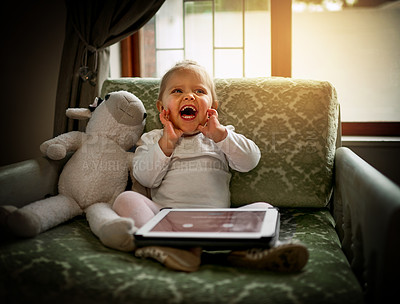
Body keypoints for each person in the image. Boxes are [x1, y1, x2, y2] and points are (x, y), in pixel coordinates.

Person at [112, 60, 308, 272]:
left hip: (218, 223)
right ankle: (168, 246)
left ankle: (244, 253)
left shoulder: (220, 136)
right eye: (177, 91)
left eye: (199, 91)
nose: (189, 96)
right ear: (162, 108)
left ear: (212, 107)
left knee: (264, 208)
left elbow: (250, 161)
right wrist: (167, 142)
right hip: (167, 222)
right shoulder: (153, 139)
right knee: (126, 199)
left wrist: (221, 135)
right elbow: (145, 178)